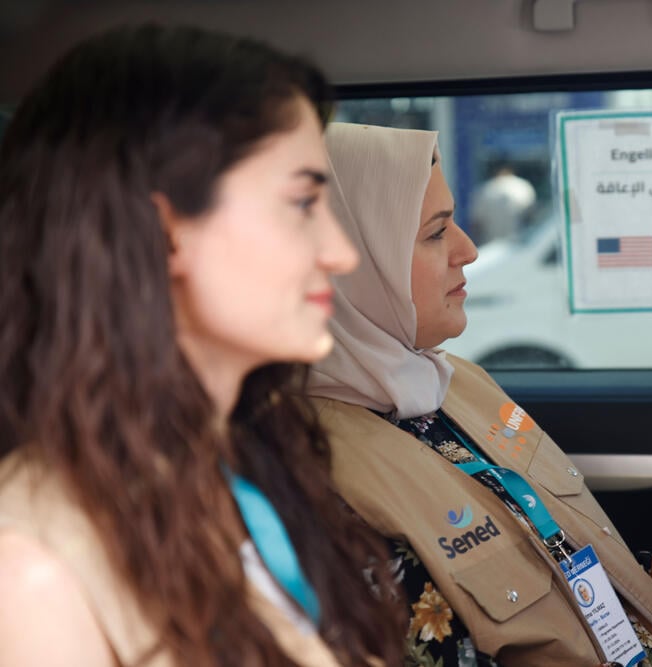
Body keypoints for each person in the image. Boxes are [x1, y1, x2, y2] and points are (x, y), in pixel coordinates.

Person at [0, 26, 405, 667]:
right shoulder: (32, 572)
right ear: (163, 233)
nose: (341, 252)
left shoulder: (243, 462)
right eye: (302, 202)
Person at [310, 122, 652, 667]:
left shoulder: (457, 382)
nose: (469, 250)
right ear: (352, 264)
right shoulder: (317, 481)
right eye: (435, 233)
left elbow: (571, 550)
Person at [469, 161, 536, 244]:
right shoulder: (523, 187)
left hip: (492, 244)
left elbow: (476, 224)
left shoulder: (485, 190)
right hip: (519, 244)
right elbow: (531, 217)